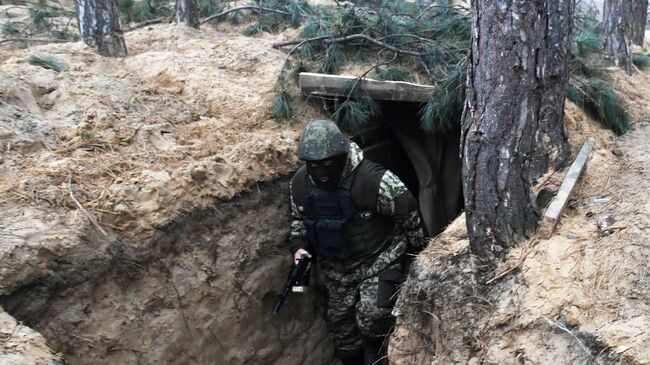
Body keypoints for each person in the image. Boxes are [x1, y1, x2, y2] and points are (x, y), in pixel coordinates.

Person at [288, 120, 427, 365]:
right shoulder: (300, 184)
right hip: (336, 269)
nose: (321, 173)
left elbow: (408, 212)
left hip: (380, 260)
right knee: (341, 331)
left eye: (328, 164)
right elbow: (299, 219)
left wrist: (415, 255)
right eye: (314, 165)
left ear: (341, 157)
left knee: (373, 315)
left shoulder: (375, 181)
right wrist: (299, 247)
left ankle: (378, 352)